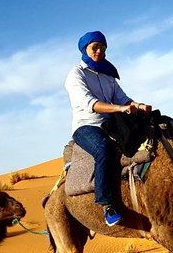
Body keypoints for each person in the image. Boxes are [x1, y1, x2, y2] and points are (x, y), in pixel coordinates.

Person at [65, 31, 152, 226]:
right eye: (94, 47)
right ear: (85, 49)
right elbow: (91, 103)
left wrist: (138, 106)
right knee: (103, 149)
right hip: (87, 126)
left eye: (102, 47)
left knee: (153, 129)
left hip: (111, 123)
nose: (98, 51)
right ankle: (107, 205)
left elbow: (122, 98)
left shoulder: (108, 74)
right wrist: (120, 108)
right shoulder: (76, 75)